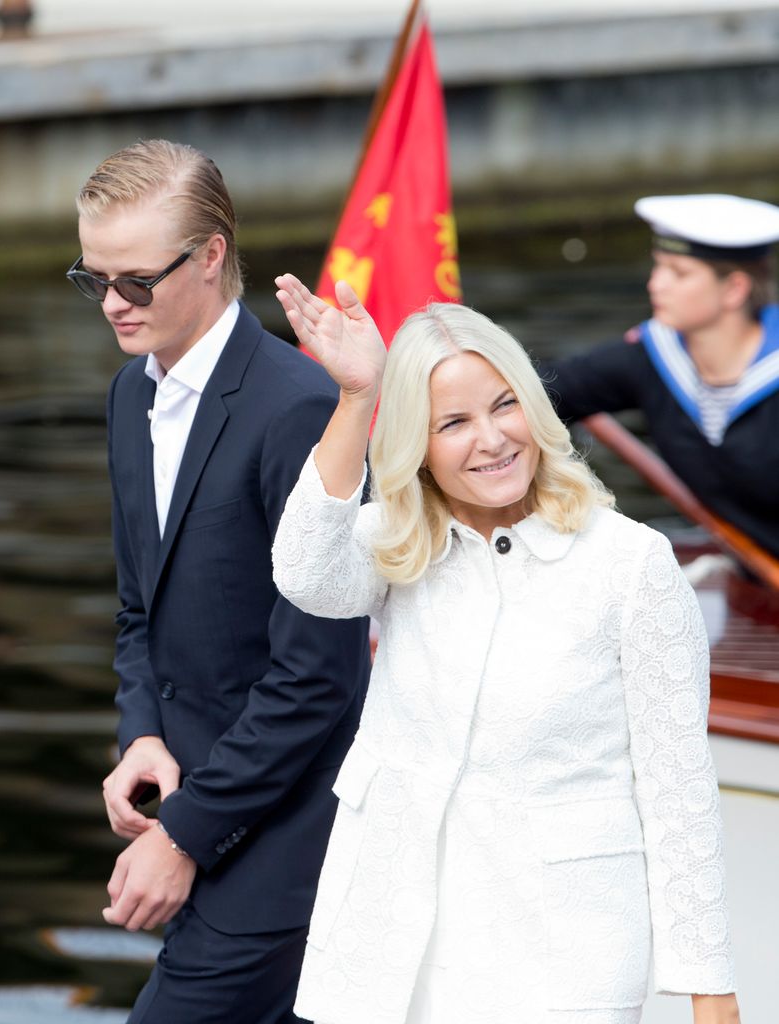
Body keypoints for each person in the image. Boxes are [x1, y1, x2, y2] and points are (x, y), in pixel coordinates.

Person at [271, 273, 740, 1024]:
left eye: (504, 404)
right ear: (415, 446)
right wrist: (360, 398)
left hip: (562, 959)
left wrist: (709, 987)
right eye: (451, 422)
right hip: (392, 947)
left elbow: (678, 789)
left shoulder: (632, 564)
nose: (491, 439)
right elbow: (305, 576)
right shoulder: (399, 541)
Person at [66, 140, 371, 1024]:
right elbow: (139, 608)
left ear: (209, 256)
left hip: (289, 834)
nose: (114, 306)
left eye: (136, 281)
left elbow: (321, 673)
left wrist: (185, 835)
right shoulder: (130, 395)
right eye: (95, 281)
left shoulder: (299, 409)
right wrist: (142, 735)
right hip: (194, 797)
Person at [544, 192, 779, 561]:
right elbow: (540, 389)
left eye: (679, 273)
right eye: (658, 266)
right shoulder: (651, 358)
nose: (656, 284)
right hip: (755, 582)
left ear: (734, 289)